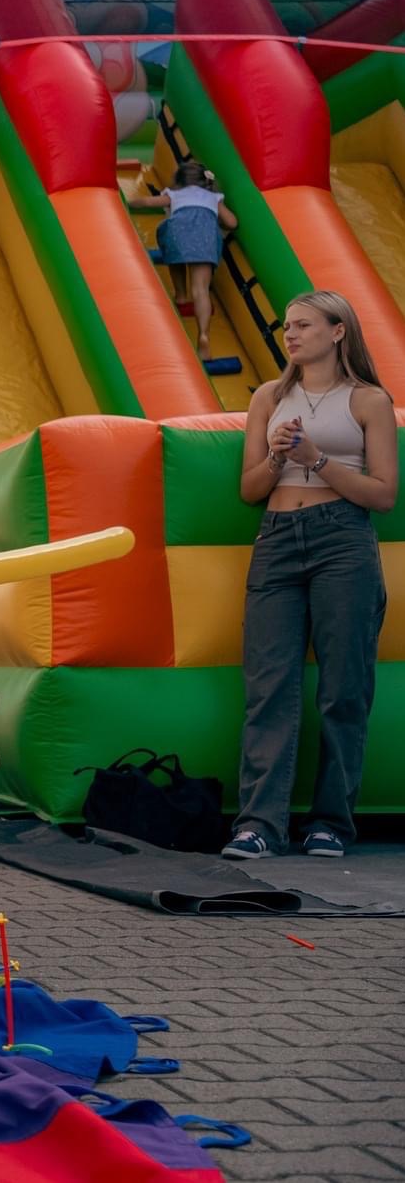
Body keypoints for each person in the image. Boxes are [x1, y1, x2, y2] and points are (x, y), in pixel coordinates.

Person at [226, 291, 397, 860]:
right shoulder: (269, 396)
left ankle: (331, 822)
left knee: (344, 687)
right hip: (276, 539)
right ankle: (258, 825)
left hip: (342, 540)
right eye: (286, 327)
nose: (290, 335)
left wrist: (317, 458)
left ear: (338, 331)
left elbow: (384, 495)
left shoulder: (368, 400)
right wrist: (278, 458)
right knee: (268, 686)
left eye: (303, 325)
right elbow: (251, 490)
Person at [134, 160, 237, 358]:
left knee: (175, 260)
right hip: (204, 238)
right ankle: (204, 335)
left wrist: (128, 203)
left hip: (177, 234)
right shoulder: (214, 197)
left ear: (179, 180)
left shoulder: (174, 194)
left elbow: (147, 202)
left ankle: (181, 296)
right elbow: (232, 222)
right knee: (200, 289)